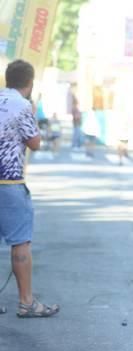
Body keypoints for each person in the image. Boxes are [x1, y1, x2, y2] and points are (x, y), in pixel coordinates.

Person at [0, 60, 60, 318]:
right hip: (9, 183)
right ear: (30, 82)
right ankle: (26, 302)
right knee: (20, 244)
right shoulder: (23, 106)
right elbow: (35, 143)